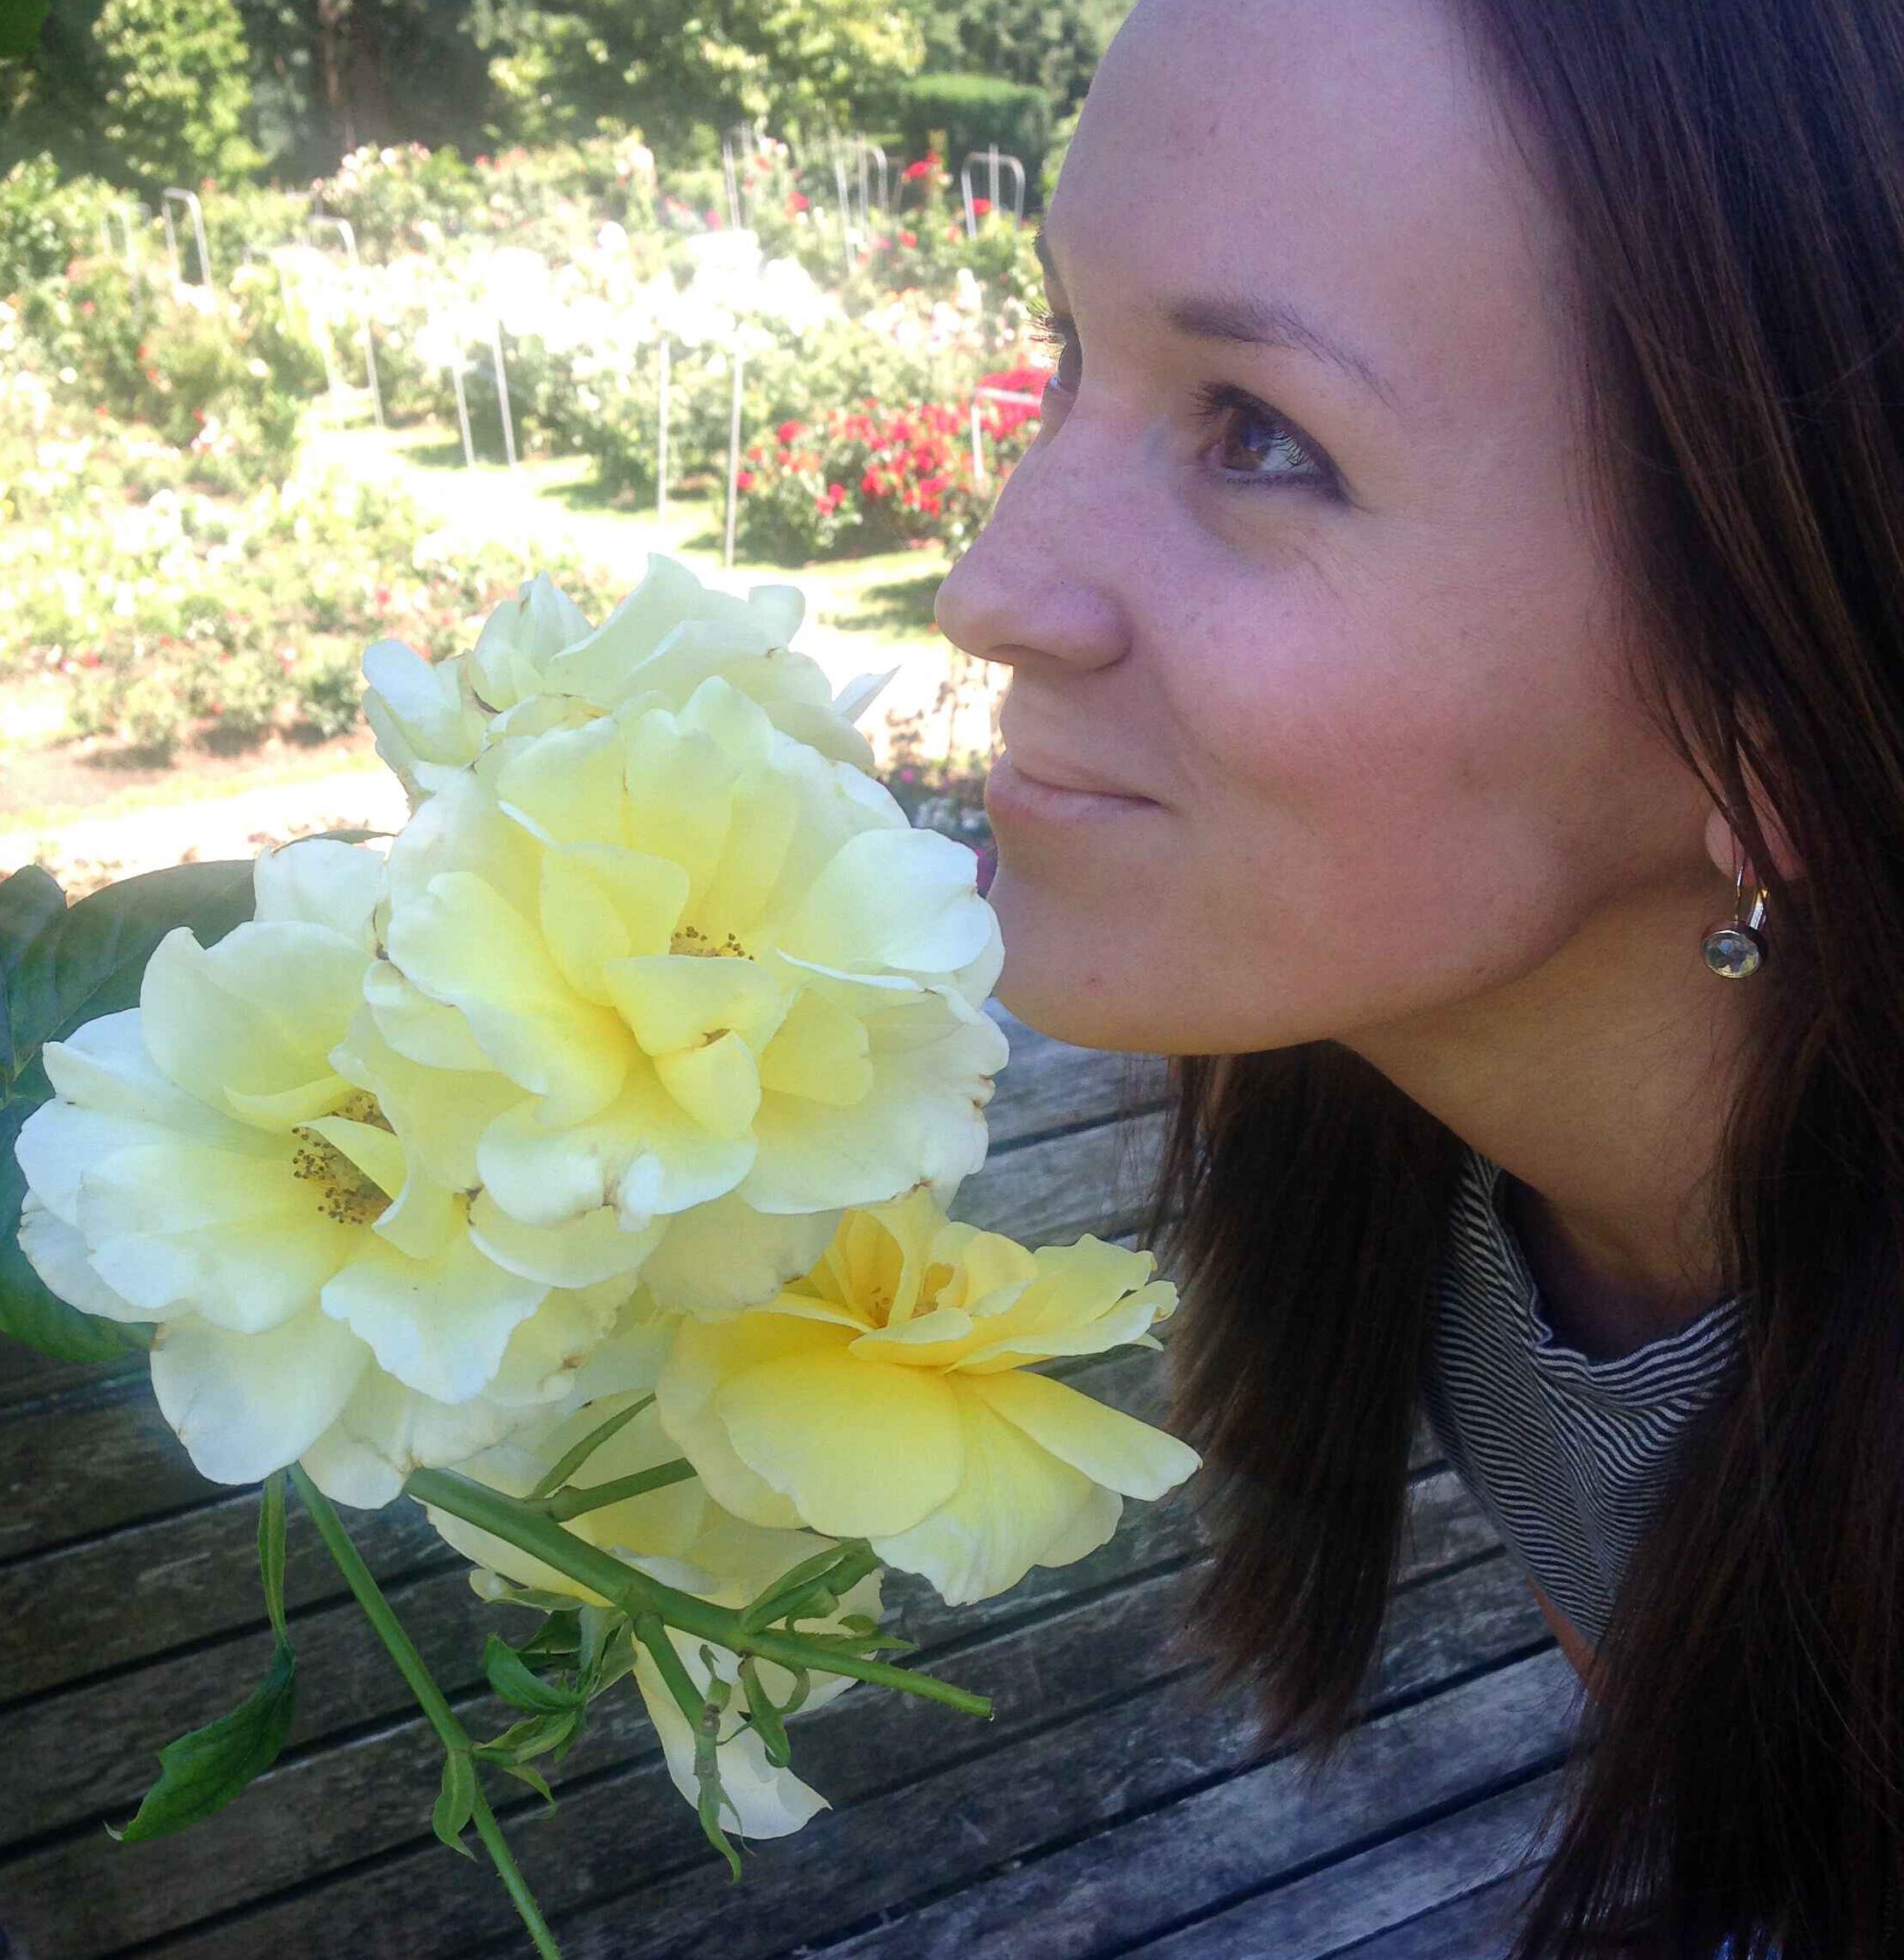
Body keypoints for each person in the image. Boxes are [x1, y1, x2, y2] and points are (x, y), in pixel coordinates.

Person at [934, 0, 1904, 1953]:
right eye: (1064, 357)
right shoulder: (1446, 1187)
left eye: (1262, 437)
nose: (989, 585)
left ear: (1773, 718)